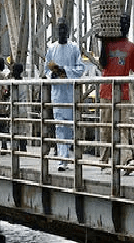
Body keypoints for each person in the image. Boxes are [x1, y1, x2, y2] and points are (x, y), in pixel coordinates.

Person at [99, 13, 134, 174]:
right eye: (123, 23)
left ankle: (126, 160)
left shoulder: (130, 47)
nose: (125, 26)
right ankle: (105, 159)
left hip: (122, 93)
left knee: (122, 128)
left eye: (127, 23)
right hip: (107, 91)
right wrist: (102, 42)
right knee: (106, 128)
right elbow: (102, 63)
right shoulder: (109, 44)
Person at [45, 17, 85, 171]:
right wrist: (52, 75)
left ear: (68, 32)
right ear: (56, 31)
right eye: (59, 29)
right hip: (57, 94)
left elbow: (80, 69)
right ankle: (62, 160)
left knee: (70, 127)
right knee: (60, 127)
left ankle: (67, 156)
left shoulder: (74, 48)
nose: (61, 32)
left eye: (64, 29)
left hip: (70, 93)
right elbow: (47, 69)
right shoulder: (51, 48)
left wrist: (65, 71)